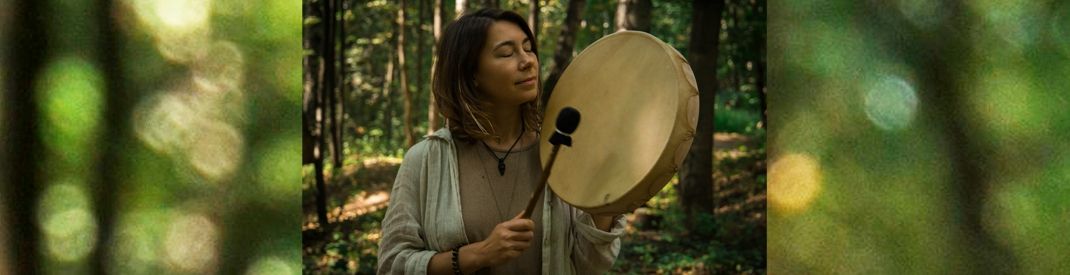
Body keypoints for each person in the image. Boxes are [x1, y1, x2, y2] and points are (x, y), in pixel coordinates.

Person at [376, 8, 625, 275]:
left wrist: (607, 205)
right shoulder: (425, 160)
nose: (527, 61)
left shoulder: (558, 153)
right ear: (471, 73)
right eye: (507, 53)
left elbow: (590, 266)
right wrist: (478, 255)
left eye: (528, 49)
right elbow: (392, 264)